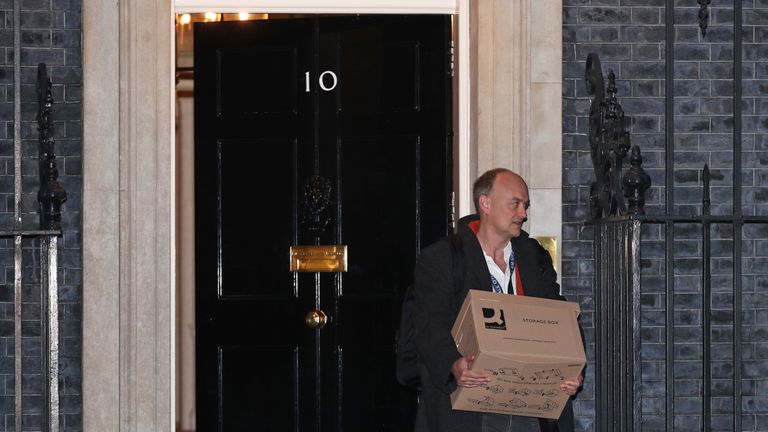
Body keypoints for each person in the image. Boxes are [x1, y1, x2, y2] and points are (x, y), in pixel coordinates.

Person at [412, 168, 583, 432]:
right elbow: (428, 324)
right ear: (485, 203)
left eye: (525, 205)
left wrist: (572, 368)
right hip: (470, 408)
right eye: (515, 203)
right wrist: (452, 364)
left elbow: (560, 316)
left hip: (529, 406)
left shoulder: (533, 256)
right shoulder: (442, 258)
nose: (523, 213)